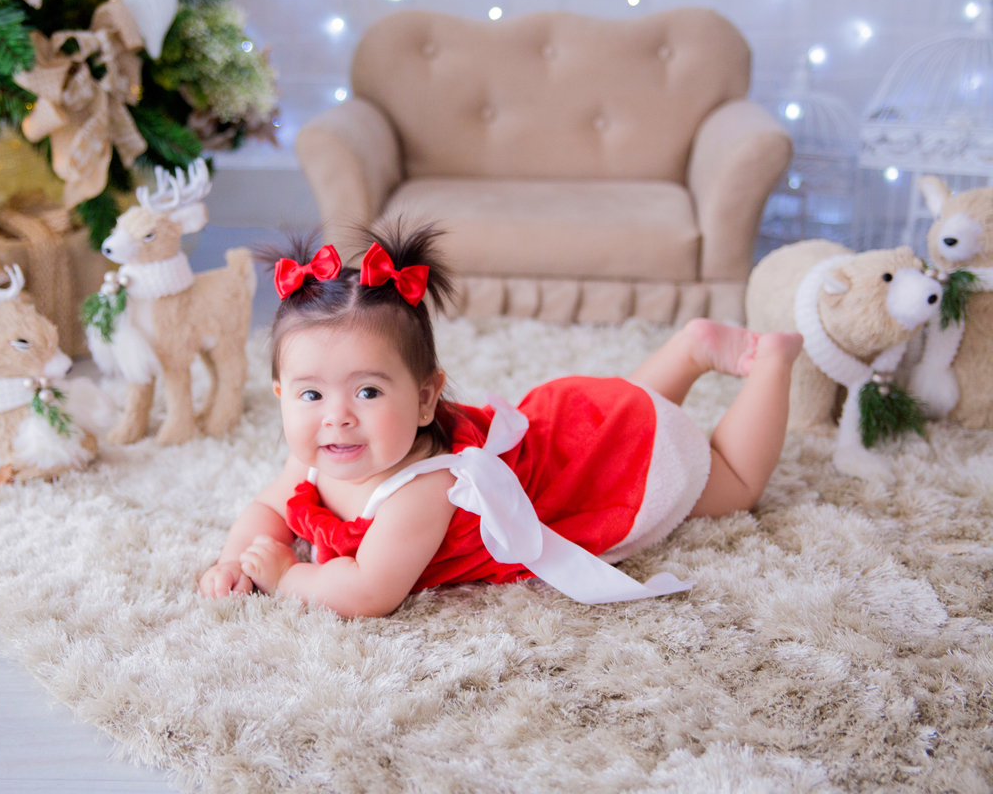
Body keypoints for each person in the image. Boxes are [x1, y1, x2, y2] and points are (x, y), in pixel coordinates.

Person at [198, 225, 804, 617]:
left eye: (368, 391)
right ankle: (691, 350)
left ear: (426, 399)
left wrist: (287, 575)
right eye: (309, 396)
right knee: (624, 411)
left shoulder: (422, 488)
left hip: (600, 472)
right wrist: (234, 557)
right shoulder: (316, 450)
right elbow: (270, 507)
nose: (337, 419)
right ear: (280, 394)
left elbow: (367, 591)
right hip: (579, 423)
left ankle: (771, 362)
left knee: (732, 483)